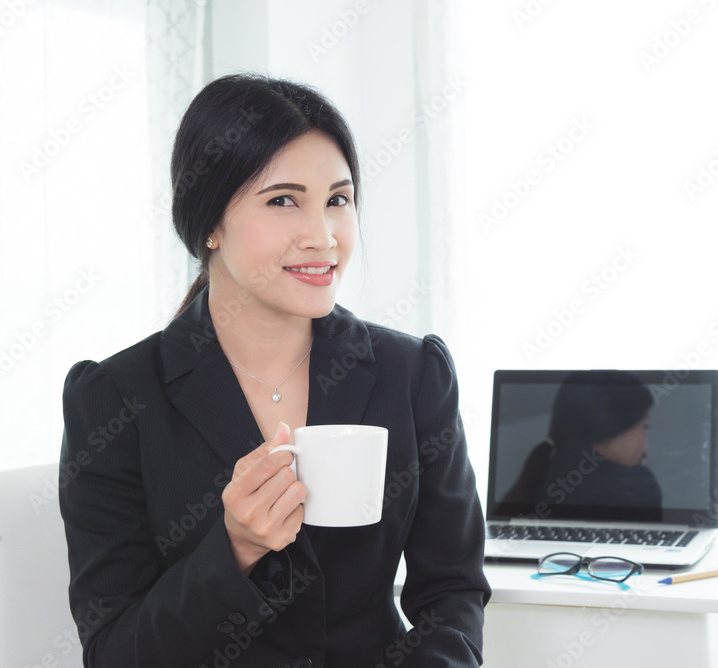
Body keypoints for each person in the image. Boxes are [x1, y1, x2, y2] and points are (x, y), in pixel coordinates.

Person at [58, 73, 490, 668]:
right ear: (209, 223)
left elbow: (453, 593)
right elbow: (114, 653)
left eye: (338, 200)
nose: (323, 236)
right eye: (284, 200)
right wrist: (234, 548)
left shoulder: (412, 374)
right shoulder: (115, 398)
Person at [503, 371, 662, 515]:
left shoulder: (541, 474)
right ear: (613, 427)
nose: (645, 448)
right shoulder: (637, 486)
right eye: (644, 426)